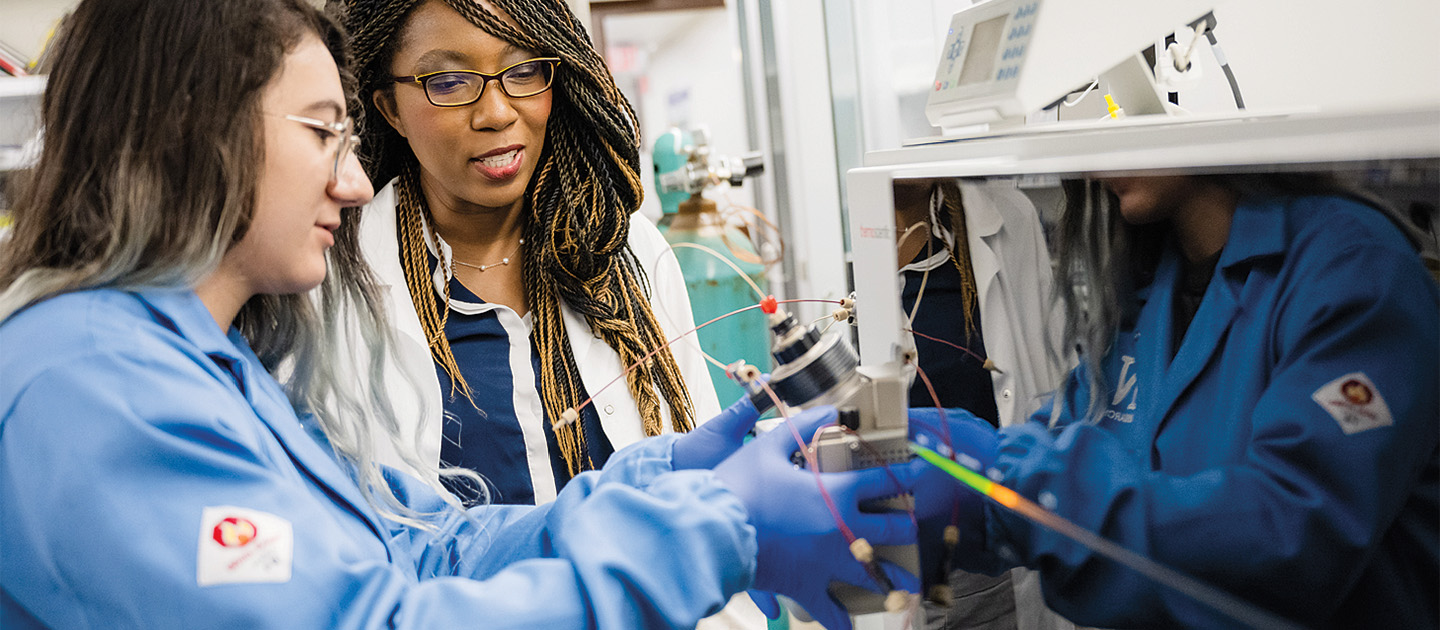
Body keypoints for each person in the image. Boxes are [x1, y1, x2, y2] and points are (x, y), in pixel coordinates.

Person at [0, 1, 925, 628]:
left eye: (523, 72)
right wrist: (710, 531)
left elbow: (423, 545)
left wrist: (687, 465)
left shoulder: (205, 368)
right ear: (189, 128)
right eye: (326, 131)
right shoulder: (91, 393)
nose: (354, 178)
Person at [910, 173, 1439, 628]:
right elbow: (1071, 428)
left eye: (1119, 107)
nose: (1096, 156)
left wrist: (1004, 489)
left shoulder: (1352, 268)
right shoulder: (1151, 282)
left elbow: (1290, 536)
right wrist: (935, 463)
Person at [329, 0, 720, 512]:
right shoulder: (336, 290)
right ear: (390, 109)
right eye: (448, 82)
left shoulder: (628, 252)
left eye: (524, 70)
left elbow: (702, 474)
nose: (496, 113)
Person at [894, 179, 1073, 630]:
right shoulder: (850, 240)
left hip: (981, 541)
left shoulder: (999, 219)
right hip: (895, 541)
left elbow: (1056, 372)